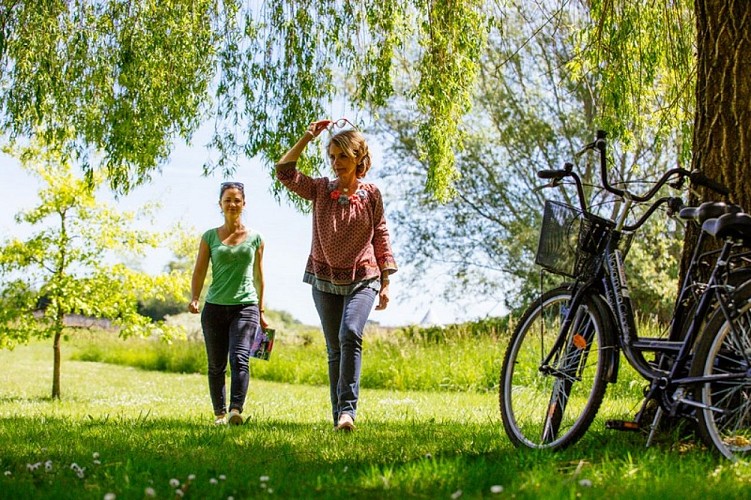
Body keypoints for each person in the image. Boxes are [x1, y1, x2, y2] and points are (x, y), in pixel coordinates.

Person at [276, 120, 398, 431]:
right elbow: (284, 172)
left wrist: (385, 281)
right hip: (324, 278)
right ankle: (339, 417)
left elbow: (380, 235)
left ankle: (348, 411)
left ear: (358, 158)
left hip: (363, 277)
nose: (335, 162)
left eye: (342, 156)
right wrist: (308, 135)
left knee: (350, 334)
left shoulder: (371, 194)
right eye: (331, 156)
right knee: (334, 349)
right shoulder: (319, 189)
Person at [189, 181, 268, 426]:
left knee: (240, 358)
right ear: (220, 205)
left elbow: (259, 275)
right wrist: (194, 297)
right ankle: (219, 414)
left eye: (237, 200)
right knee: (216, 365)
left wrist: (262, 311)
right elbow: (199, 270)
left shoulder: (256, 238)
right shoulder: (210, 237)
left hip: (246, 307)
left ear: (244, 204)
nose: (232, 204)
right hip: (214, 308)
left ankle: (235, 410)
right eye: (227, 200)